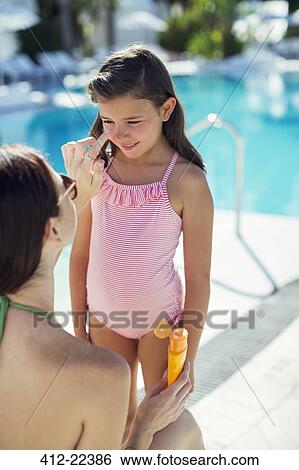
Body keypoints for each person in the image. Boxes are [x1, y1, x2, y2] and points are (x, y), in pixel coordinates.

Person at [0, 142, 204, 450]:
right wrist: (144, 426)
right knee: (181, 429)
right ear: (52, 231)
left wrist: (77, 197)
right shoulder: (102, 373)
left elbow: (29, 256)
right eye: (66, 185)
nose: (75, 187)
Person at [68, 44, 214, 441]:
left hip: (160, 325)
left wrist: (190, 354)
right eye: (108, 121)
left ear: (166, 109)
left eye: (133, 120)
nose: (119, 134)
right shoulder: (98, 169)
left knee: (162, 422)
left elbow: (199, 279)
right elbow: (80, 251)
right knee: (116, 423)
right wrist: (78, 318)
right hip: (102, 316)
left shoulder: (187, 182)